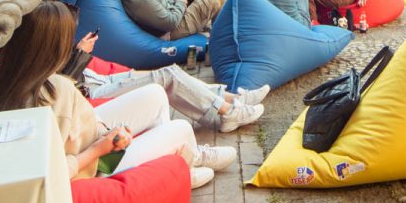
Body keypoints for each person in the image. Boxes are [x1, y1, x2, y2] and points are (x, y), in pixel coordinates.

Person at [0, 2, 236, 188]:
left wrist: (106, 133)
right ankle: (179, 166)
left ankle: (177, 165)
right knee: (180, 128)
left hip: (85, 140)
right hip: (93, 168)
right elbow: (52, 172)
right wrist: (100, 148)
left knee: (154, 95)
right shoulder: (54, 91)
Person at [62, 20, 268, 132]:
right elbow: (63, 83)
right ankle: (226, 111)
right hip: (91, 90)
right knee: (167, 74)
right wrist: (79, 53)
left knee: (173, 73)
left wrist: (78, 51)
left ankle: (232, 98)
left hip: (97, 78)